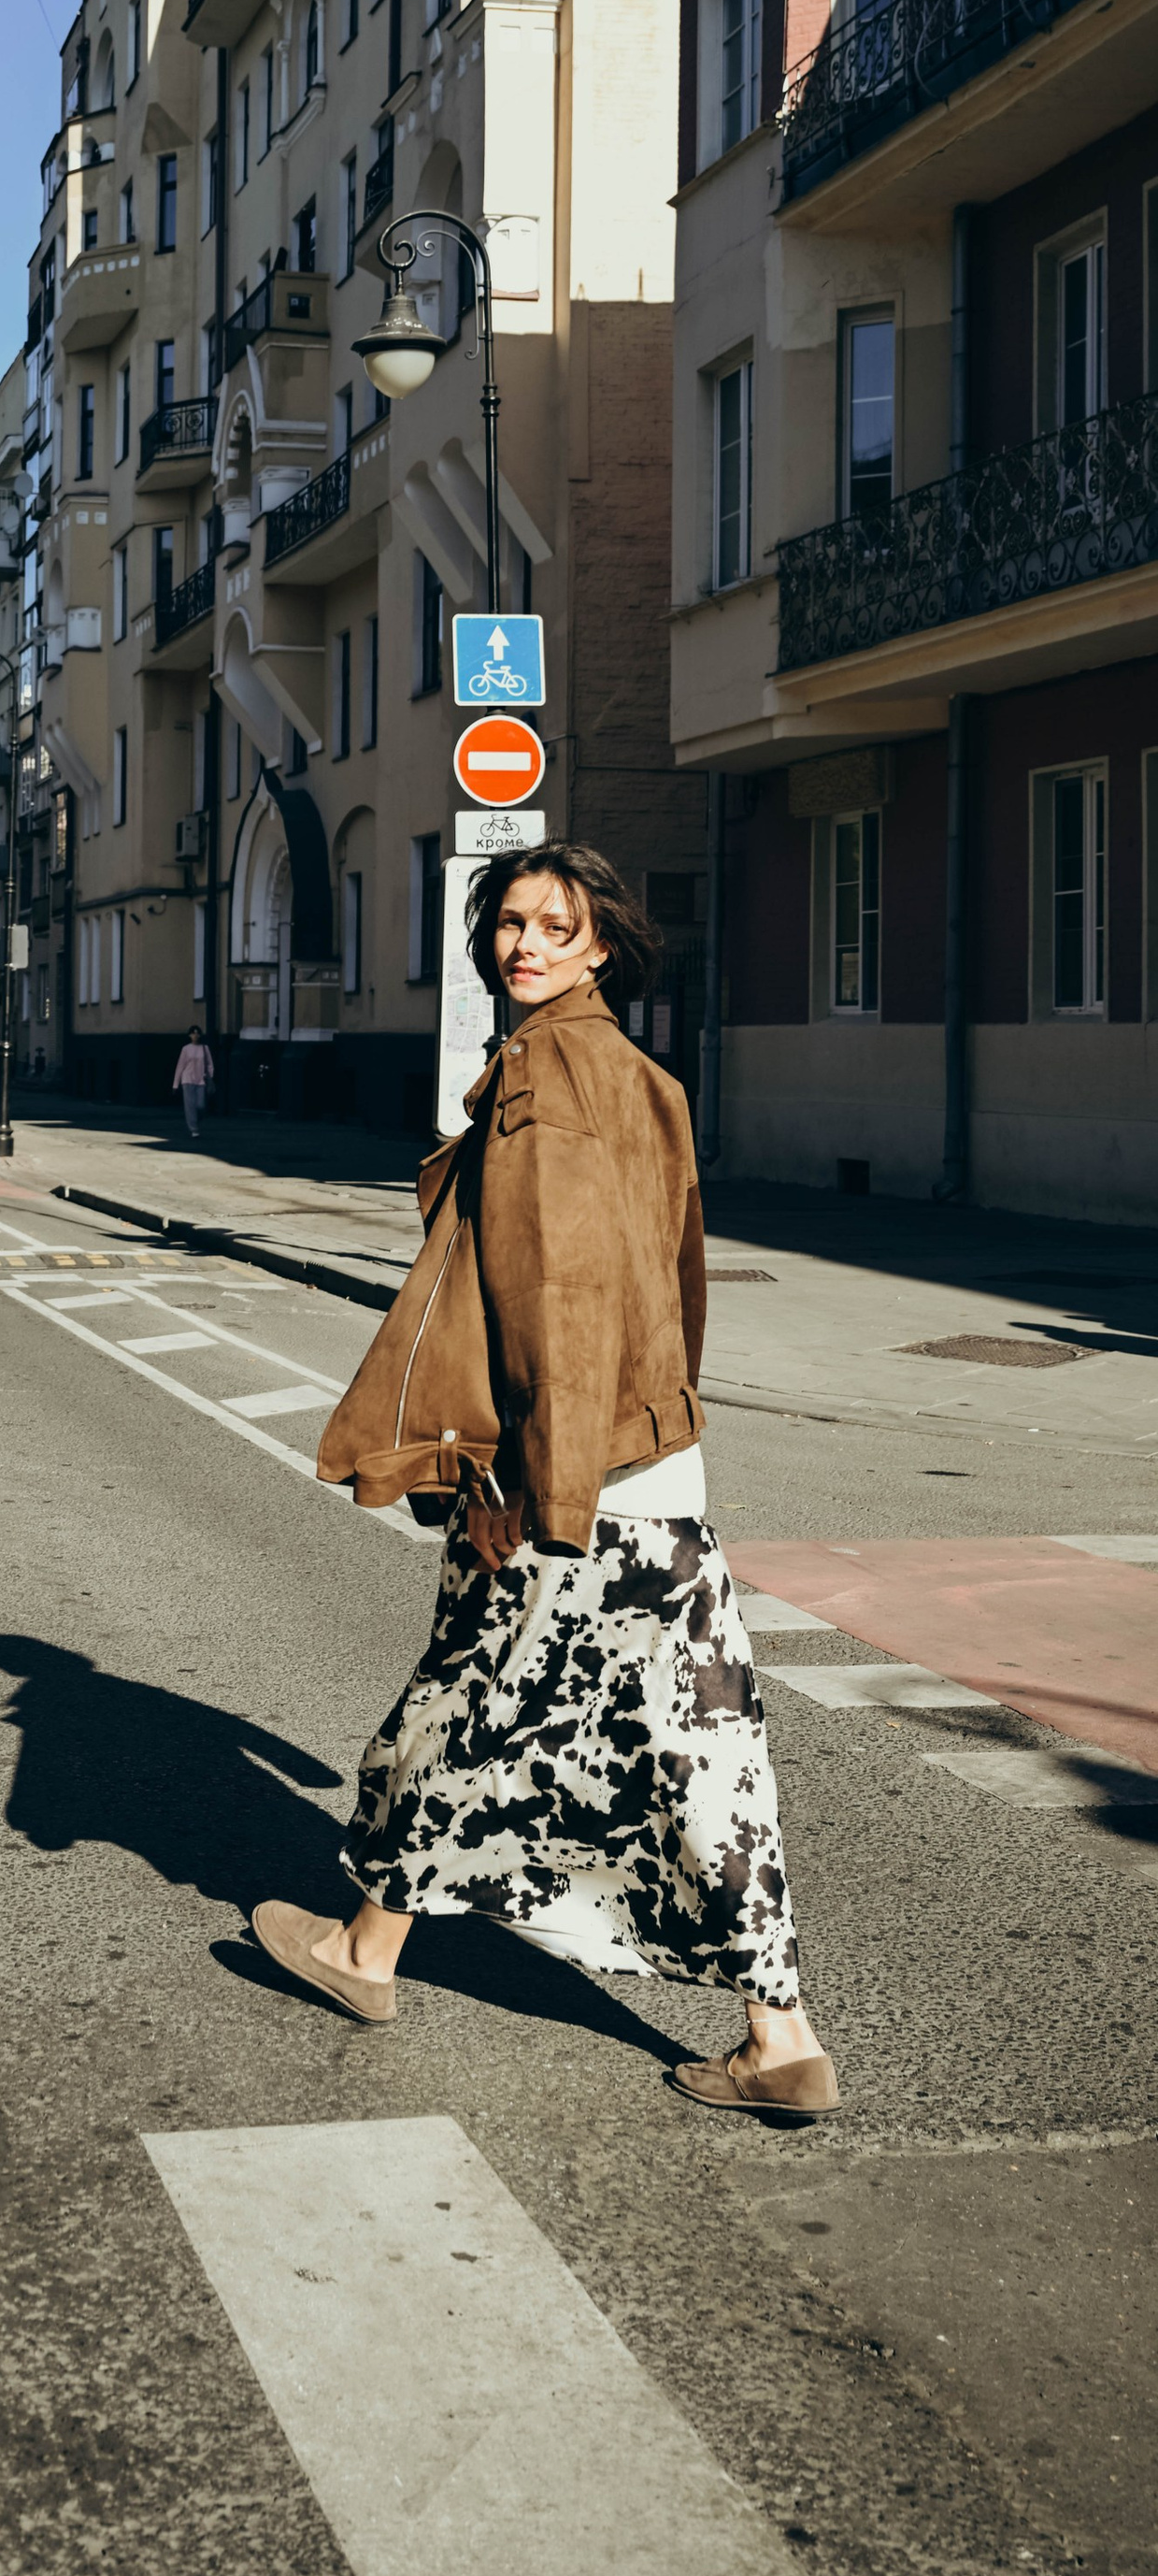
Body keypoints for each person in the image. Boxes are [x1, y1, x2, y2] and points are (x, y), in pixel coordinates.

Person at [253, 840, 837, 2121]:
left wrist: (542, 1494)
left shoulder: (542, 1079)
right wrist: (647, 1430)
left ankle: (362, 1950)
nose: (525, 944)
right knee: (704, 1748)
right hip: (660, 1464)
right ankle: (782, 2034)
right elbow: (673, 1287)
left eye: (554, 927)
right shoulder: (638, 1075)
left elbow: (559, 1300)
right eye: (511, 924)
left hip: (571, 1476)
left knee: (463, 1711)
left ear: (602, 945)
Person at [172, 1026, 216, 1140]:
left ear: (200, 1035)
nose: (195, 1035)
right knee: (190, 1106)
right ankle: (194, 1129)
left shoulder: (205, 1048)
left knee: (201, 1105)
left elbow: (210, 1064)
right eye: (193, 1033)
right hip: (187, 1079)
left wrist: (210, 1077)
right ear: (190, 1036)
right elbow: (180, 1066)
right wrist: (175, 1084)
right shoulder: (186, 1049)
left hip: (201, 1080)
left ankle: (196, 1121)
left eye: (197, 1033)